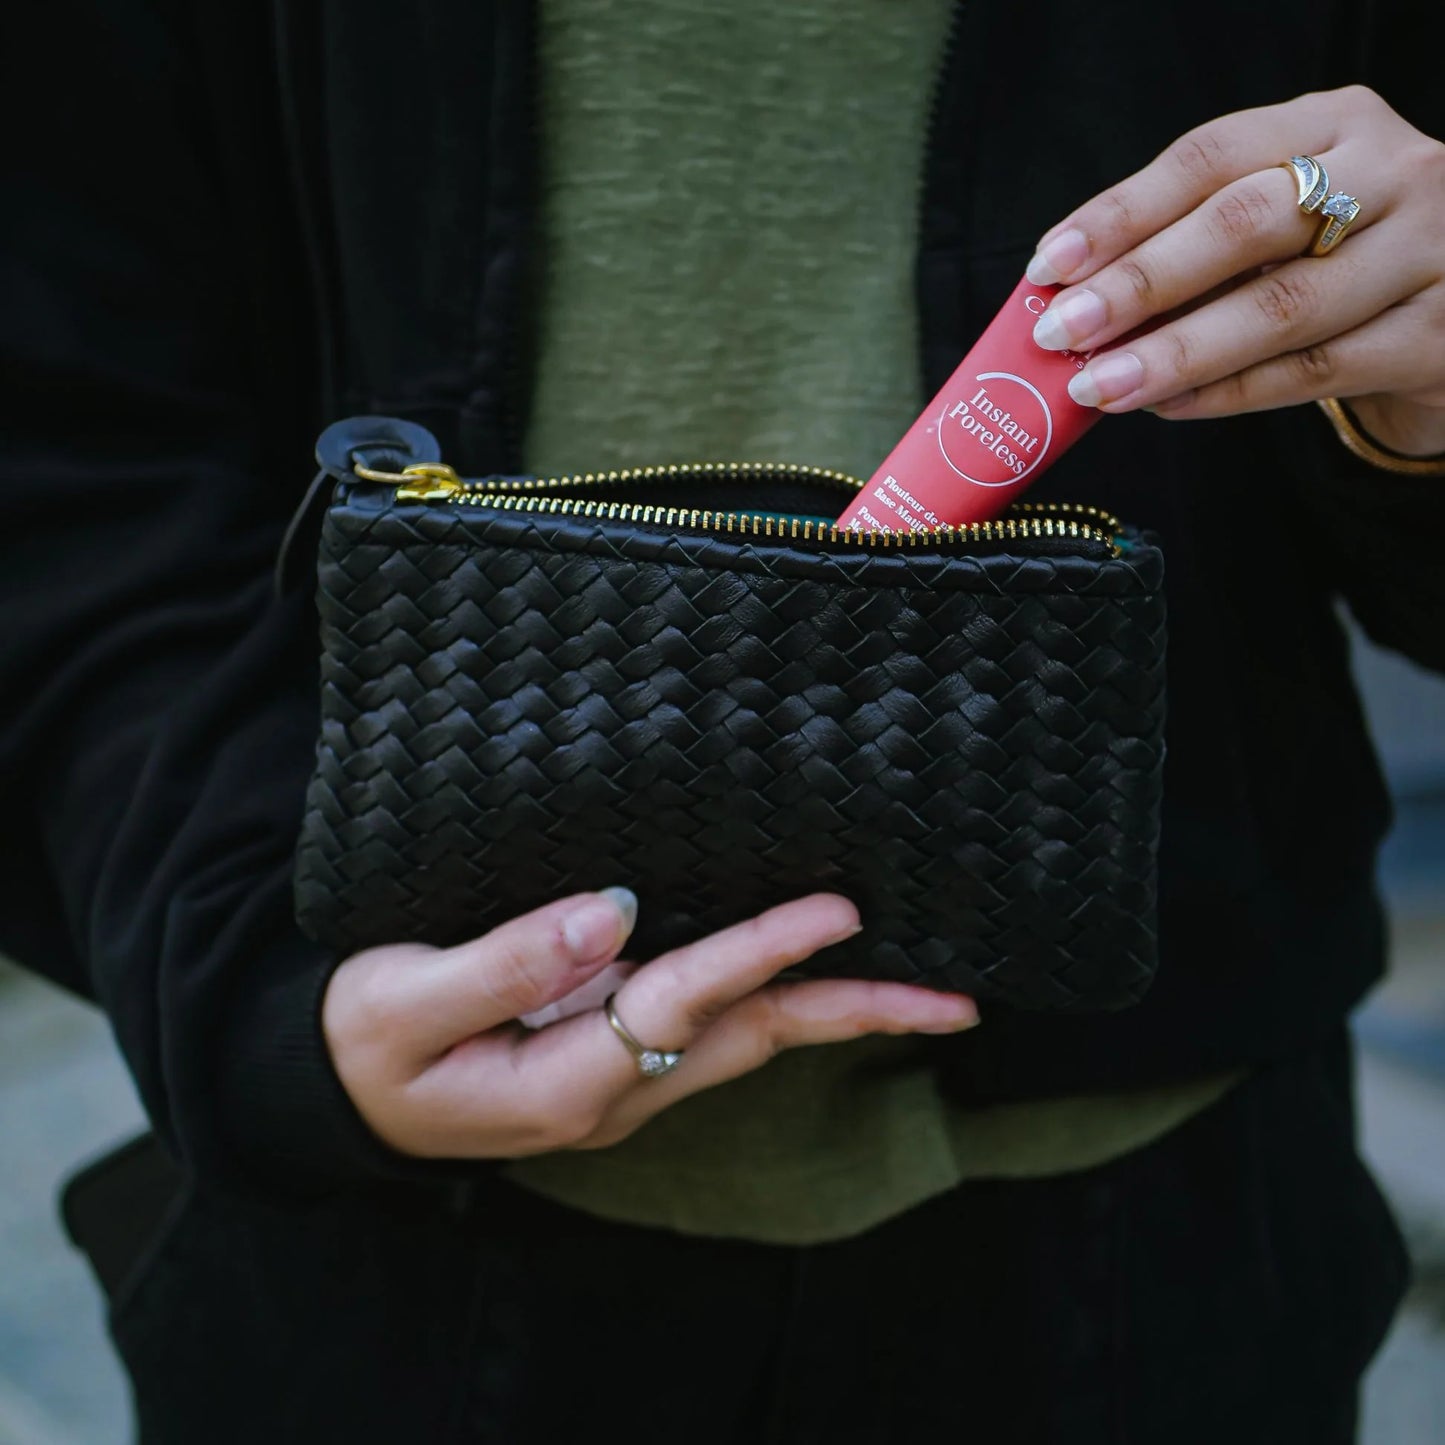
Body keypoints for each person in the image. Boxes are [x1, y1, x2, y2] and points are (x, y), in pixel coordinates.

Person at [3, 2, 1442, 1440]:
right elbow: (67, 453)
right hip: (390, 1249)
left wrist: (1423, 397)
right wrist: (258, 999)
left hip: (1167, 1231)